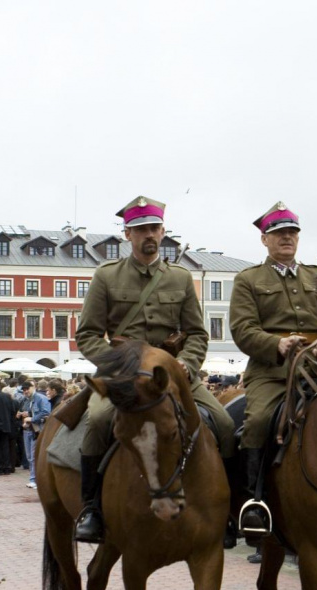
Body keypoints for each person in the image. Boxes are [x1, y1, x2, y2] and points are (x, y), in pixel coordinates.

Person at [75, 195, 235, 543]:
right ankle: (92, 509)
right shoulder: (106, 276)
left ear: (163, 232)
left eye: (154, 228)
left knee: (223, 423)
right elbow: (87, 334)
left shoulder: (179, 278)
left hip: (171, 376)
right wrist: (119, 368)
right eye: (141, 229)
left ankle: (230, 510)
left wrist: (188, 365)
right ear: (127, 235)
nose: (149, 234)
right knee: (100, 422)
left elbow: (196, 333)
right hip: (123, 376)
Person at [229, 202, 317, 547]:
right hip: (271, 372)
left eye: (292, 233)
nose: (287, 238)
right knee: (256, 421)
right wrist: (277, 344)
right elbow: (242, 329)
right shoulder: (248, 280)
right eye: (279, 233)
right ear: (264, 239)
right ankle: (254, 500)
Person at [17, 380, 50, 489]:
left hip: (37, 430)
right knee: (30, 456)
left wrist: (31, 419)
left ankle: (34, 479)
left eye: (27, 389)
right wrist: (26, 418)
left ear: (33, 387)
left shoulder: (40, 398)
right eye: (24, 389)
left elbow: (45, 413)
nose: (25, 391)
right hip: (29, 430)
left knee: (34, 455)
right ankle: (33, 479)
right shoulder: (27, 399)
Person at [0, 379, 16, 475]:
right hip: (7, 424)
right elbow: (13, 411)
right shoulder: (7, 396)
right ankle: (7, 467)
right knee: (5, 446)